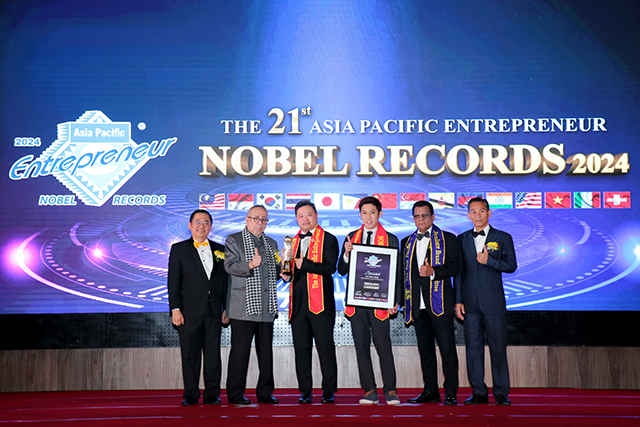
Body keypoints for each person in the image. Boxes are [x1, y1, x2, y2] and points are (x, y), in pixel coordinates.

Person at [337, 196, 402, 405]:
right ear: (360, 215)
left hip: (380, 302)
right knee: (361, 347)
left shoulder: (390, 239)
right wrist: (347, 255)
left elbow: (397, 273)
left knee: (384, 346)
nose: (368, 216)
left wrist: (395, 300)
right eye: (364, 212)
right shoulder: (351, 237)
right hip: (357, 302)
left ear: (380, 214)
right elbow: (341, 269)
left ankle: (390, 390)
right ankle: (369, 390)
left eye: (372, 212)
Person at [455, 197, 517, 406]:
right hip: (470, 303)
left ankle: (501, 393)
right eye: (473, 212)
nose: (478, 215)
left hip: (493, 302)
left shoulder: (503, 237)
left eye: (481, 211)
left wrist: (489, 260)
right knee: (473, 349)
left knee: (498, 348)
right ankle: (478, 392)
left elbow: (511, 265)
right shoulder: (462, 239)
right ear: (468, 215)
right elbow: (460, 273)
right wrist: (458, 301)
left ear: (489, 213)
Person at [401, 200, 461, 406]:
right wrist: (399, 301)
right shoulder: (406, 242)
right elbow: (402, 275)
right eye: (417, 216)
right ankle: (430, 391)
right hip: (416, 305)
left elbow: (455, 267)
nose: (421, 219)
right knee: (425, 351)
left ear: (433, 217)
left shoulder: (448, 239)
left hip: (440, 303)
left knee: (447, 350)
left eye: (425, 215)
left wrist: (433, 271)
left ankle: (451, 392)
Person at [167, 209, 229, 406]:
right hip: (188, 311)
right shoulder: (179, 249)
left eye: (206, 222)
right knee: (190, 355)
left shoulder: (221, 249)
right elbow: (173, 282)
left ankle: (212, 393)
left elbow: (225, 282)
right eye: (198, 222)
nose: (202, 226)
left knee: (213, 355)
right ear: (190, 225)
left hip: (214, 310)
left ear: (211, 226)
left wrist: (227, 308)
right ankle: (191, 393)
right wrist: (175, 308)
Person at [282, 200, 339, 404]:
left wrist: (304, 263)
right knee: (301, 350)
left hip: (321, 304)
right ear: (296, 218)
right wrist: (285, 273)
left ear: (316, 215)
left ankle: (328, 391)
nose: (305, 219)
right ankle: (305, 391)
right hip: (298, 305)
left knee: (325, 349)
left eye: (308, 215)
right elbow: (290, 271)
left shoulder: (329, 239)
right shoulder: (291, 241)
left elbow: (330, 268)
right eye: (300, 216)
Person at [223, 205, 281, 405]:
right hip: (242, 307)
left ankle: (265, 392)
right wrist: (249, 264)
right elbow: (229, 266)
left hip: (266, 307)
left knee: (266, 354)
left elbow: (272, 273)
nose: (260, 223)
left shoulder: (272, 243)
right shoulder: (234, 239)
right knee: (240, 353)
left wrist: (284, 272)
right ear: (247, 220)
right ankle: (235, 393)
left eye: (264, 219)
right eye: (256, 218)